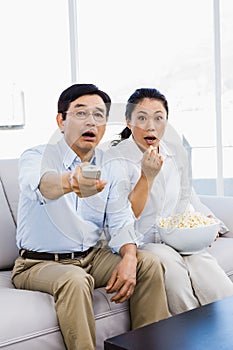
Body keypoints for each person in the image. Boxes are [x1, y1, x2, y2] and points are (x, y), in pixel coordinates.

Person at [11, 84, 170, 350]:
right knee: (75, 280)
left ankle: (148, 346)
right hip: (38, 264)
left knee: (148, 263)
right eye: (81, 113)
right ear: (61, 120)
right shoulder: (37, 156)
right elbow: (42, 185)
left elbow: (121, 219)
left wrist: (130, 257)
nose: (91, 121)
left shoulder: (110, 165)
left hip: (91, 257)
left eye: (99, 115)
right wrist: (70, 182)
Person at [105, 87, 233, 315]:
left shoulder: (173, 154)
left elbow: (189, 197)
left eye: (158, 118)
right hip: (141, 241)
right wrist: (148, 176)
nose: (150, 126)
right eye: (141, 118)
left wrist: (209, 222)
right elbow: (123, 216)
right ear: (128, 121)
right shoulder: (115, 159)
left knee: (208, 270)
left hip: (178, 238)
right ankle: (190, 337)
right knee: (173, 271)